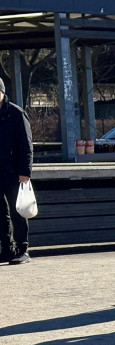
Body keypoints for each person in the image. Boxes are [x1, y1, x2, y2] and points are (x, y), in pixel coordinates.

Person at [0, 77, 33, 265]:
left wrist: (25, 172)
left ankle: (22, 250)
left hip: (14, 173)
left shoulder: (16, 113)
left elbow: (27, 146)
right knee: (0, 214)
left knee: (18, 211)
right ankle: (7, 248)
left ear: (3, 92)